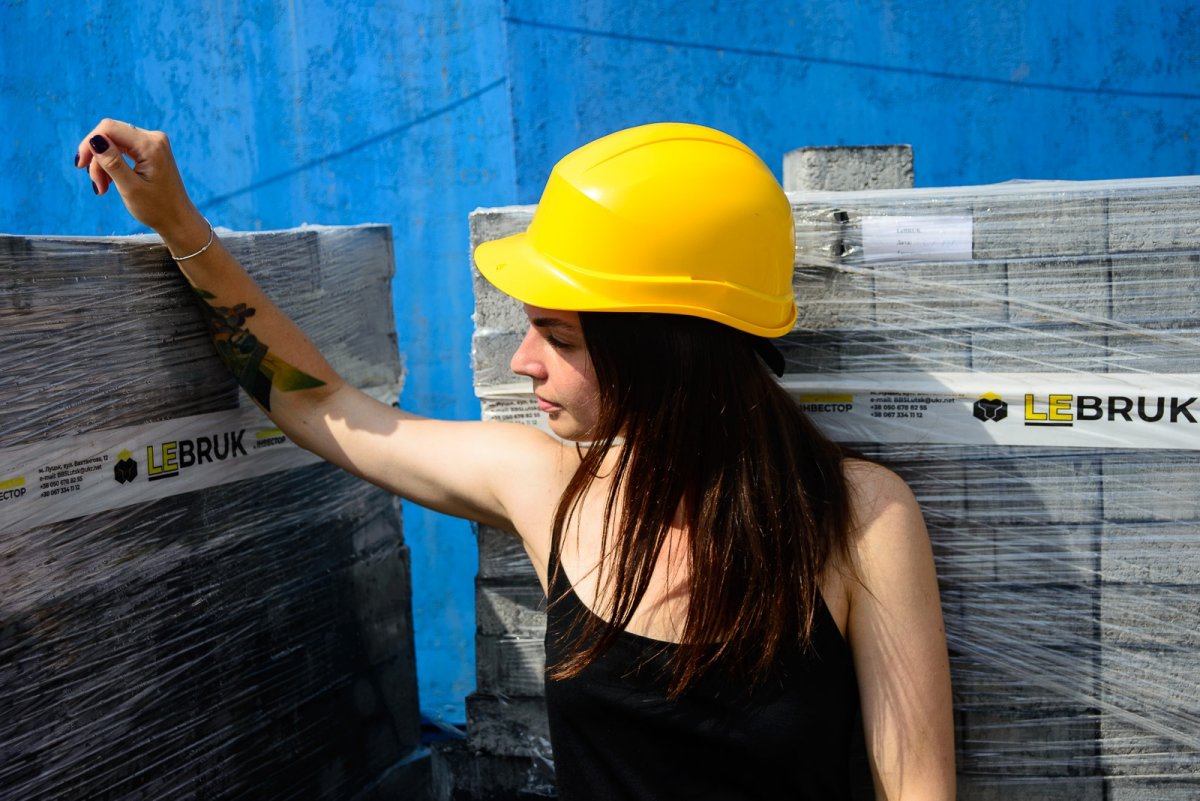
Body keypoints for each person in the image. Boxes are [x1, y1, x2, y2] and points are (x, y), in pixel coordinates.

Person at [76, 119, 955, 800]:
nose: (523, 361)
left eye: (558, 335)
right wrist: (178, 221)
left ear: (669, 351)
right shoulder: (548, 486)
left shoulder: (858, 518)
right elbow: (319, 406)